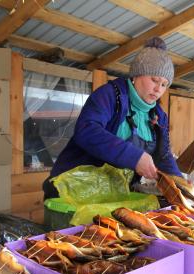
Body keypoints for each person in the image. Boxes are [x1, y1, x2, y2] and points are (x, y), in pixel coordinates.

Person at [43, 37, 182, 199]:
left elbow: (163, 155)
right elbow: (87, 130)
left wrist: (179, 183)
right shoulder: (110, 95)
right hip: (71, 191)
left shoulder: (159, 116)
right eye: (154, 80)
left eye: (164, 84)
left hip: (111, 196)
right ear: (137, 75)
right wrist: (134, 157)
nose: (158, 89)